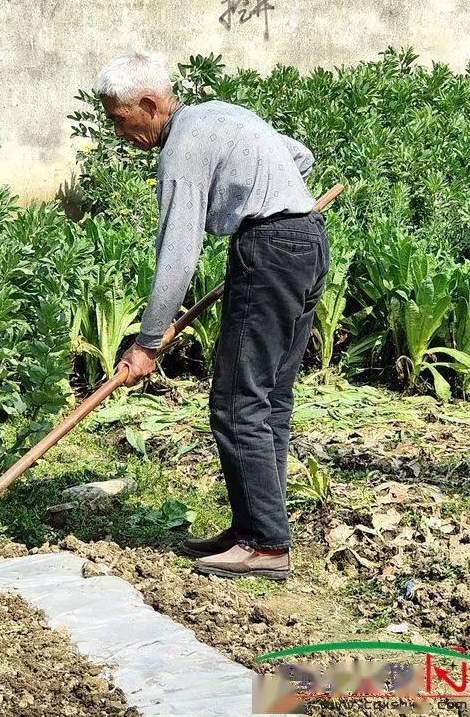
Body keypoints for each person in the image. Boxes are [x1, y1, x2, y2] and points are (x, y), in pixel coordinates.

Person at [95, 52, 329, 580]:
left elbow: (178, 251)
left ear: (150, 105)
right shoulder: (222, 115)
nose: (117, 132)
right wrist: (273, 200)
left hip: (268, 252)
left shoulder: (181, 149)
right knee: (269, 399)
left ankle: (267, 545)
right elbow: (301, 157)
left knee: (237, 401)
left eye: (117, 118)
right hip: (307, 241)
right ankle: (254, 528)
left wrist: (149, 340)